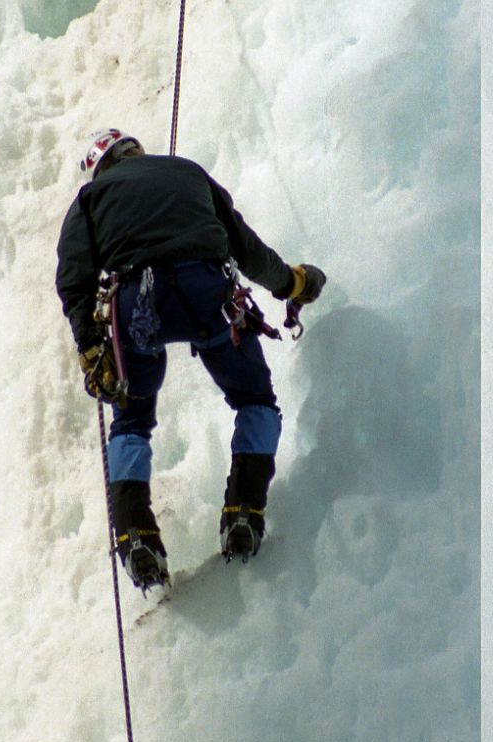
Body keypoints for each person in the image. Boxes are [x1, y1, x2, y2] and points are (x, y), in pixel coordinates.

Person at [56, 128, 325, 590]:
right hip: (209, 294)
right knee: (255, 400)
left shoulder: (90, 198)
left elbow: (73, 280)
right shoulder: (188, 172)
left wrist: (90, 344)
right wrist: (292, 284)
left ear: (99, 167)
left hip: (137, 304)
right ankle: (244, 510)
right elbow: (246, 249)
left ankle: (135, 533)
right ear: (135, 151)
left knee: (131, 421)